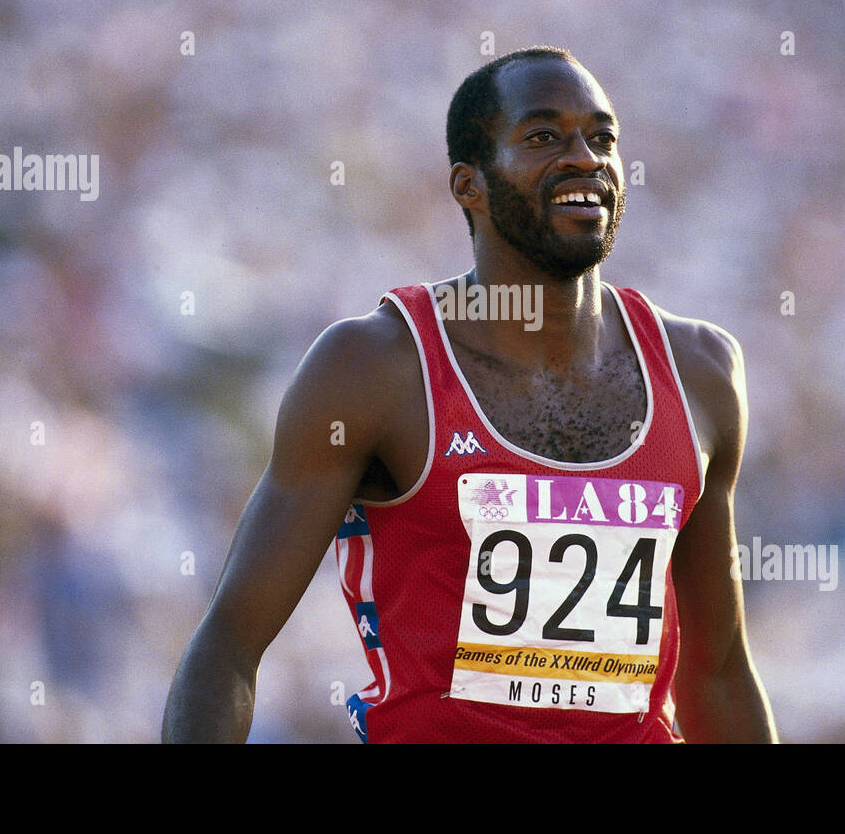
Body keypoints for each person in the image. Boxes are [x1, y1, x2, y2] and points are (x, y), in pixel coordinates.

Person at [162, 46, 778, 743]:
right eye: (543, 136)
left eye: (602, 138)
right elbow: (229, 645)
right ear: (469, 185)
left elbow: (719, 673)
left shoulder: (700, 372)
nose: (585, 157)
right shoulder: (374, 368)